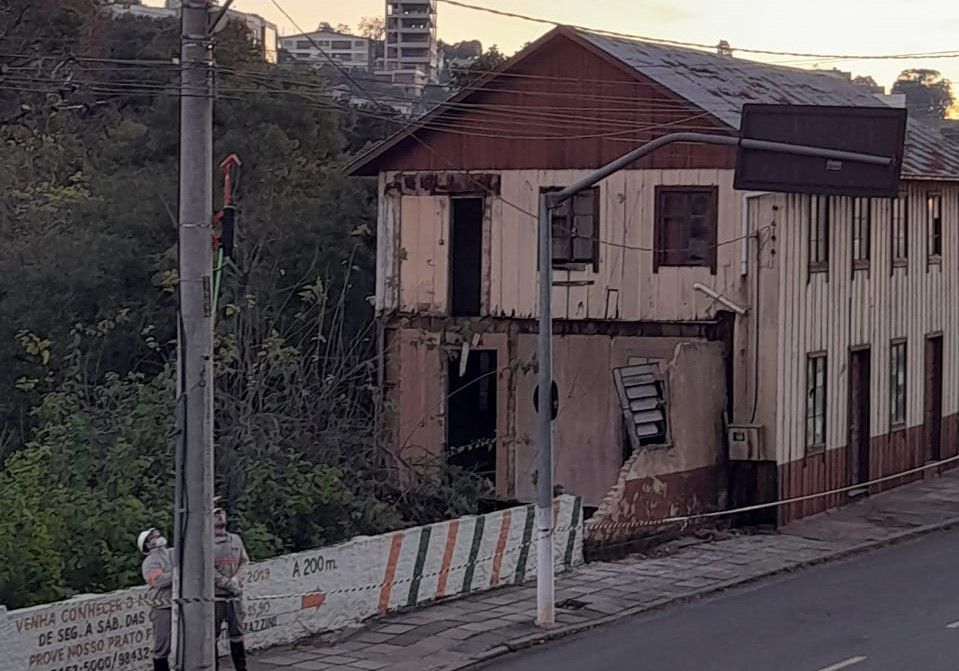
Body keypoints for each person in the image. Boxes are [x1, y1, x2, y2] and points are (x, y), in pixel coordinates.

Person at [213, 503, 249, 671]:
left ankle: (241, 668)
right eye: (215, 515)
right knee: (212, 634)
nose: (220, 517)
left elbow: (244, 561)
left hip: (235, 595)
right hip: (215, 597)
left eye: (221, 513)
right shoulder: (205, 543)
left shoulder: (235, 539)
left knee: (237, 633)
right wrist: (225, 583)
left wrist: (237, 579)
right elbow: (206, 569)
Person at [138, 527, 173, 671]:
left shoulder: (172, 553)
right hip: (163, 607)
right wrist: (178, 572)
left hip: (181, 603)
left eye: (157, 535)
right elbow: (158, 581)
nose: (157, 537)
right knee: (163, 644)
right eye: (152, 537)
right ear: (147, 544)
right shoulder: (150, 562)